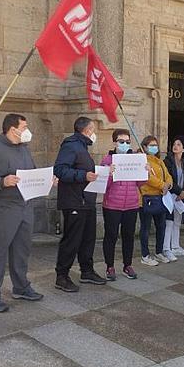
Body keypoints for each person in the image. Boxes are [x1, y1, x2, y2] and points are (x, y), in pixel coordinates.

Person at [0, 113, 44, 312]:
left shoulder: (24, 149)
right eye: (24, 127)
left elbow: (32, 173)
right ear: (13, 129)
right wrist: (1, 182)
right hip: (2, 208)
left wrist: (47, 180)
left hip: (24, 207)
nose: (27, 131)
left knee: (22, 251)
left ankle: (21, 287)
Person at [54, 116, 107, 291]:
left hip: (87, 201)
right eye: (93, 129)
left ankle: (87, 270)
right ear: (86, 130)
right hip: (74, 201)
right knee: (72, 240)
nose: (94, 133)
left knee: (88, 239)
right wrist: (83, 176)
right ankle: (62, 276)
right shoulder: (71, 145)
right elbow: (60, 170)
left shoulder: (83, 147)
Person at [100, 129, 142, 281]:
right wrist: (109, 174)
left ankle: (127, 265)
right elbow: (103, 185)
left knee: (128, 236)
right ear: (114, 143)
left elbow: (140, 183)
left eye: (127, 142)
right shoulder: (107, 160)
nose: (125, 144)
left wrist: (146, 172)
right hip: (112, 205)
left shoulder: (135, 159)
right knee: (111, 236)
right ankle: (109, 266)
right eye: (121, 141)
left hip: (131, 204)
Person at [139, 135, 173, 266]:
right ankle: (145, 254)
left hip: (160, 197)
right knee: (146, 227)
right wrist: (162, 185)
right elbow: (148, 178)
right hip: (147, 197)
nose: (154, 147)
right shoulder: (143, 160)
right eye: (151, 145)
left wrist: (168, 185)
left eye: (155, 145)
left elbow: (168, 175)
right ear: (145, 147)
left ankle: (159, 251)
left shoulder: (159, 161)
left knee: (161, 226)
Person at [163, 137, 184, 260]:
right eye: (174, 144)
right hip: (171, 195)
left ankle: (175, 246)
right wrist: (178, 191)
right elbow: (168, 177)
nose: (175, 146)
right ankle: (166, 248)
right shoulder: (167, 162)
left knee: (177, 221)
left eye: (178, 144)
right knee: (169, 222)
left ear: (183, 148)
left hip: (182, 197)